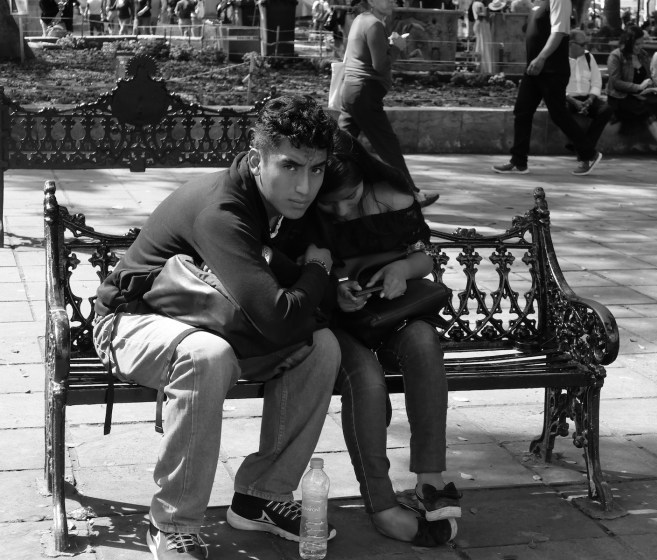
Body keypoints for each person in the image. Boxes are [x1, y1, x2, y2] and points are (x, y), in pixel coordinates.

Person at [91, 96, 342, 559]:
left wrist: (314, 274)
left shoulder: (283, 202)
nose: (305, 186)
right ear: (255, 159)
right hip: (129, 323)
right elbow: (279, 315)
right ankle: (172, 523)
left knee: (322, 346)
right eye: (290, 167)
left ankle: (263, 496)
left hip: (209, 321)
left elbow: (303, 311)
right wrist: (318, 270)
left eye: (317, 169)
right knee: (207, 355)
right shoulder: (222, 211)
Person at [315, 128, 460, 548]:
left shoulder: (391, 195)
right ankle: (380, 502)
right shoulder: (305, 206)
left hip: (391, 314)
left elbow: (424, 256)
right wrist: (337, 290)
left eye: (351, 195)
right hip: (333, 323)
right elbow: (297, 272)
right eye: (331, 202)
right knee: (368, 380)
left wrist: (401, 271)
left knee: (424, 342)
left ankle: (429, 479)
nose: (342, 210)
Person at [340, 0, 439, 207]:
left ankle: (324, 190)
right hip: (364, 92)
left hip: (351, 91)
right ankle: (412, 195)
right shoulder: (374, 24)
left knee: (341, 150)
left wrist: (390, 45)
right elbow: (380, 65)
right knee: (388, 146)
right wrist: (397, 47)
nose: (392, 1)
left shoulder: (360, 19)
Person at [492, 0, 603, 177]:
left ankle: (589, 153)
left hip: (552, 68)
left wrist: (541, 57)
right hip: (534, 69)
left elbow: (558, 32)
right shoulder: (537, 3)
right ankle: (518, 161)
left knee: (558, 113)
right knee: (522, 111)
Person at [606, 25, 657, 161]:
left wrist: (652, 84)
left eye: (641, 43)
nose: (639, 46)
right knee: (647, 109)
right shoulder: (616, 56)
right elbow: (616, 82)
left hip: (641, 94)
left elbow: (648, 76)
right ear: (628, 42)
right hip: (621, 97)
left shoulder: (642, 55)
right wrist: (637, 87)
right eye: (637, 44)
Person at [565, 29, 614, 157]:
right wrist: (573, 101)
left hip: (587, 98)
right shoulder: (559, 60)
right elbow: (556, 87)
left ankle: (584, 146)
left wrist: (591, 99)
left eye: (586, 44)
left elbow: (597, 81)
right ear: (571, 44)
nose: (585, 47)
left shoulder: (588, 57)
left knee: (606, 109)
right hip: (567, 98)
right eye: (582, 44)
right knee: (561, 111)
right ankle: (584, 149)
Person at [472, 0, 496, 74]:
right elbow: (480, 15)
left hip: (481, 25)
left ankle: (481, 67)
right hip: (482, 26)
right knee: (483, 46)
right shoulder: (479, 4)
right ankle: (484, 68)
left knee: (481, 45)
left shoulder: (475, 3)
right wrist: (488, 14)